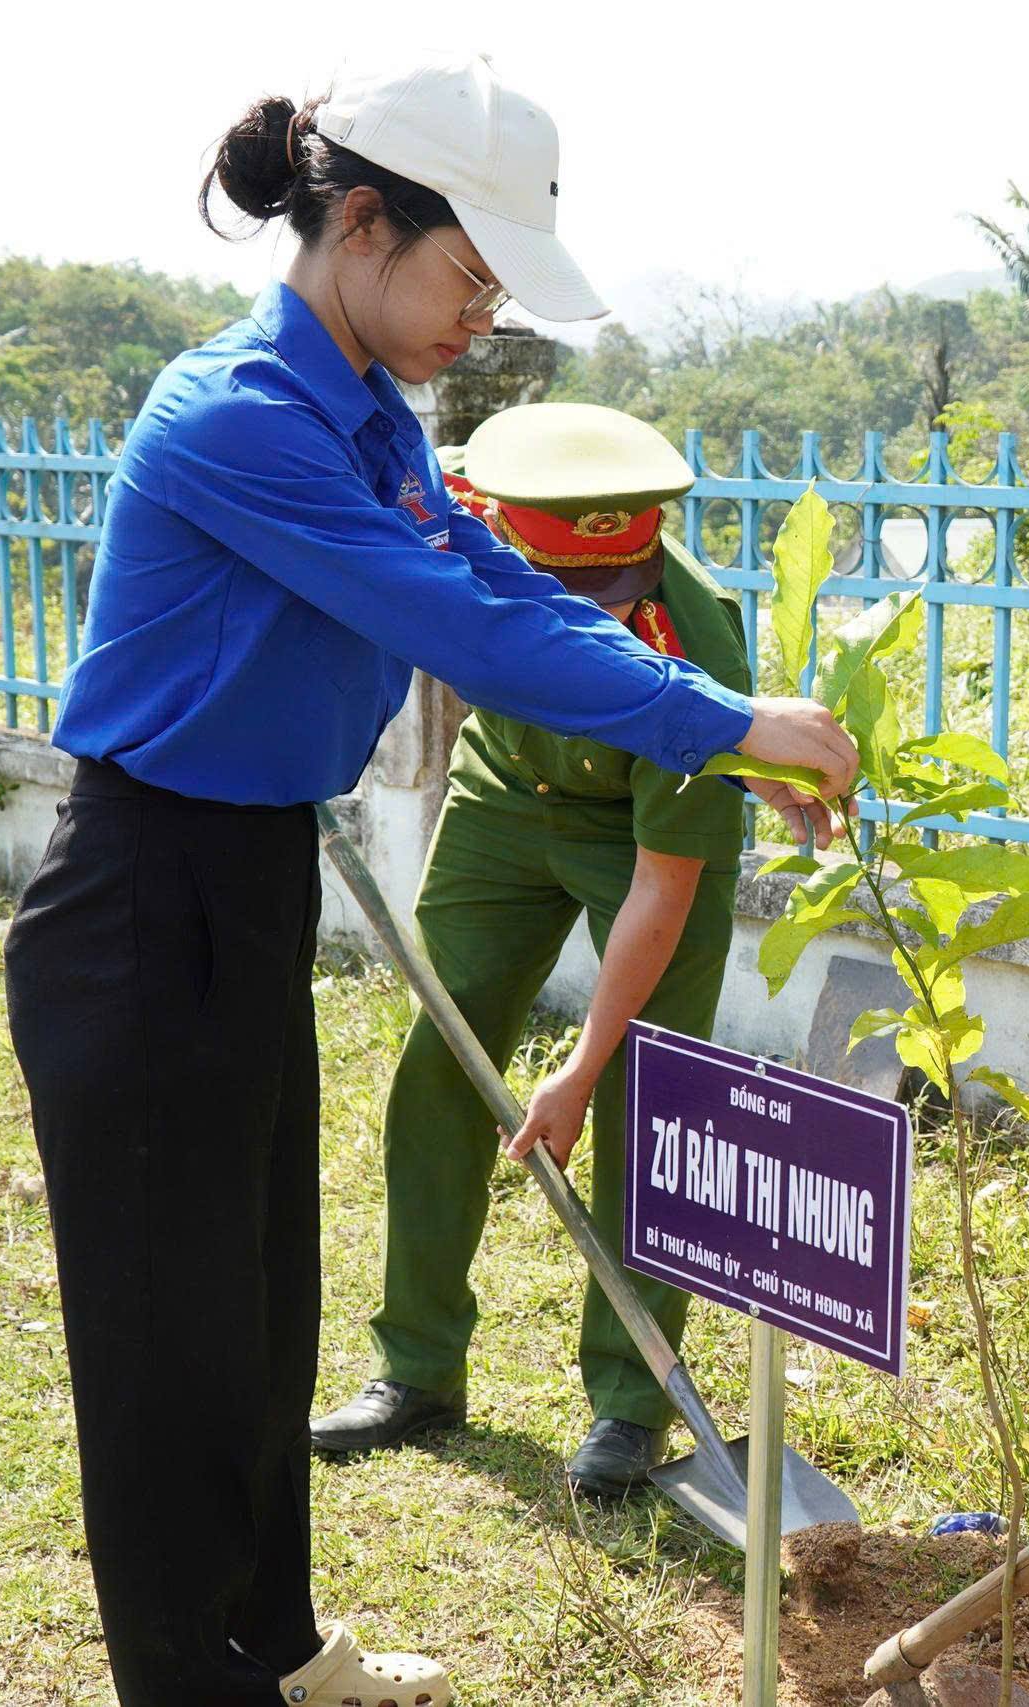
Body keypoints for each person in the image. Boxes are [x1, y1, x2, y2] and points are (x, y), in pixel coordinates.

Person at [2, 59, 853, 1707]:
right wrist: (729, 715)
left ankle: (277, 1647)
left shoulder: (376, 413)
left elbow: (499, 580)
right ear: (365, 225)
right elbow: (461, 626)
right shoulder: (239, 415)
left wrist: (720, 726)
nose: (482, 320)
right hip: (136, 897)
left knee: (259, 1313)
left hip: (241, 884)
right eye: (469, 277)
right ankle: (193, 1683)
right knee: (167, 1350)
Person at [307, 403, 758, 1498]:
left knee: (653, 1105)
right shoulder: (456, 509)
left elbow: (664, 880)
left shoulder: (695, 639)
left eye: (616, 595)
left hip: (636, 835)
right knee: (443, 1067)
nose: (599, 620)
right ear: (502, 537)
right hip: (505, 797)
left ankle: (629, 1400)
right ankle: (416, 1369)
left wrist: (581, 1066)